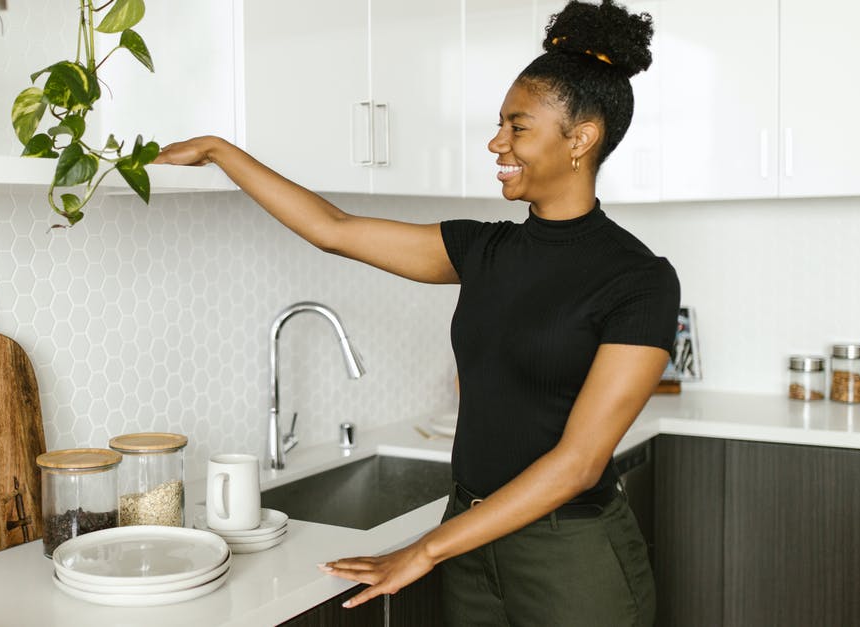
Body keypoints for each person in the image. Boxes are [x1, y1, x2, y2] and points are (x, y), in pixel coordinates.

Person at [154, 0, 676, 624]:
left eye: (518, 127)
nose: (497, 142)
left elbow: (579, 463)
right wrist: (220, 151)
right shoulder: (484, 248)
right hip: (470, 535)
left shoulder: (638, 280)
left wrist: (424, 550)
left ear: (580, 139)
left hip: (571, 555)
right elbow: (334, 229)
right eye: (500, 125)